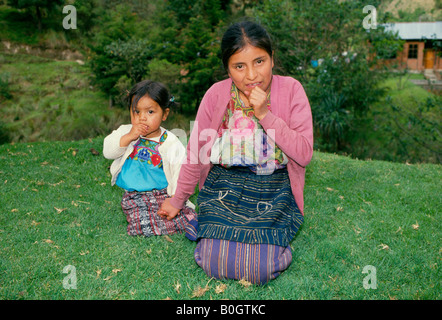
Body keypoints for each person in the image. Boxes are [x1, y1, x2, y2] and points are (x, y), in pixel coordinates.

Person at [159, 20, 313, 284]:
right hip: (225, 183)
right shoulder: (215, 95)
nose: (251, 75)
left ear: (272, 59)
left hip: (274, 185)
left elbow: (303, 153)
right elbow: (196, 152)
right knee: (212, 261)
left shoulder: (292, 90)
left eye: (259, 61)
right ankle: (215, 231)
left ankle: (267, 240)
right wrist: (177, 200)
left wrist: (265, 114)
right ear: (228, 69)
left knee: (259, 269)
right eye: (239, 66)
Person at [103, 80, 196, 238]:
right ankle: (157, 224)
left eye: (150, 112)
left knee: (180, 212)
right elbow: (108, 152)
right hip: (135, 195)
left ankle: (186, 221)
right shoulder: (126, 131)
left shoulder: (170, 141)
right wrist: (129, 137)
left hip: (162, 193)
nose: (142, 118)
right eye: (136, 112)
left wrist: (174, 198)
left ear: (164, 114)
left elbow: (179, 172)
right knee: (141, 218)